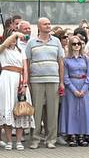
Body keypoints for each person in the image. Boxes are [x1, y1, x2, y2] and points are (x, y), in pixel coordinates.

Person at [0, 20, 31, 150]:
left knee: (20, 110)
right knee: (8, 108)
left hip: (19, 79)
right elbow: (3, 44)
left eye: (16, 38)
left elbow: (25, 68)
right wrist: (15, 35)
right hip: (7, 79)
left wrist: (24, 84)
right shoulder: (1, 50)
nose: (14, 40)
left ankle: (19, 140)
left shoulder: (21, 51)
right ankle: (9, 140)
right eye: (12, 37)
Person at [27, 17, 64, 149]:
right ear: (39, 26)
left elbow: (60, 61)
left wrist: (61, 81)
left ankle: (51, 139)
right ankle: (35, 139)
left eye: (49, 24)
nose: (48, 26)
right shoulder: (31, 42)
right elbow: (27, 62)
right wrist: (27, 81)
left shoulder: (56, 42)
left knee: (52, 111)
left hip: (53, 79)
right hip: (36, 80)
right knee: (36, 111)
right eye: (45, 24)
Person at [61, 35, 89, 147]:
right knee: (71, 111)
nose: (76, 46)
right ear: (70, 45)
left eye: (78, 44)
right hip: (71, 86)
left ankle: (82, 134)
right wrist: (73, 89)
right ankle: (72, 134)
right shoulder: (66, 60)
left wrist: (84, 89)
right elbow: (65, 77)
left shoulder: (86, 59)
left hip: (83, 86)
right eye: (74, 44)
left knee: (83, 111)